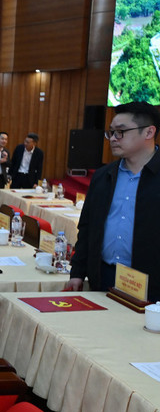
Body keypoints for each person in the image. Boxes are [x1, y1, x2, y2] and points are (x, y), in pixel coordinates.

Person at [66, 101, 160, 301]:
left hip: (150, 284)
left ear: (149, 132)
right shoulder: (103, 176)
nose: (113, 139)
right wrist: (77, 272)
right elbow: (87, 228)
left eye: (121, 132)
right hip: (103, 276)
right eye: (111, 132)